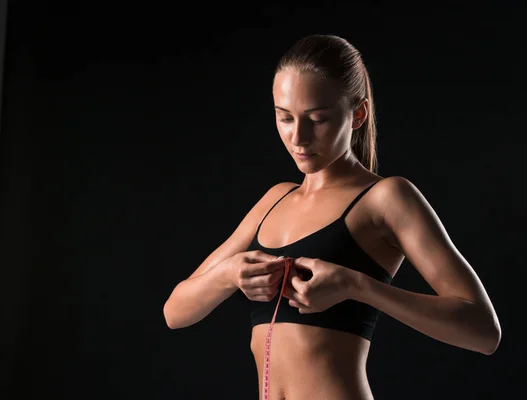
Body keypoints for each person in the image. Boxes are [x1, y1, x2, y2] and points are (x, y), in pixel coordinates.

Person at [163, 34, 501, 400]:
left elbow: (483, 332)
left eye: (317, 119)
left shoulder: (386, 198)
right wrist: (229, 275)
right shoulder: (275, 199)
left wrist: (358, 286)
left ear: (358, 114)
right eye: (285, 118)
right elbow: (175, 312)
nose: (299, 138)